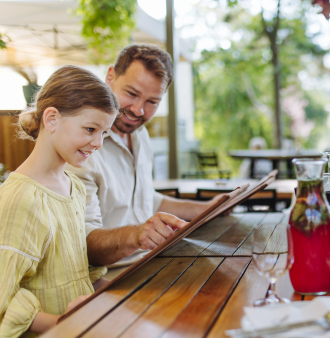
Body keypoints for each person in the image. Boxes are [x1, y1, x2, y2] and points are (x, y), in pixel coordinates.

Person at [67, 44, 228, 268]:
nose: (138, 110)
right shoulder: (81, 144)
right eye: (131, 94)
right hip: (106, 278)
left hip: (147, 262)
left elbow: (143, 200)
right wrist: (137, 235)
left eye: (152, 102)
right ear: (110, 77)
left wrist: (209, 208)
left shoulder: (139, 134)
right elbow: (83, 244)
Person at [0, 66, 119, 336]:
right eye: (90, 129)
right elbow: (3, 300)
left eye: (105, 133)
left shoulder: (74, 187)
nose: (98, 143)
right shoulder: (20, 198)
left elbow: (75, 273)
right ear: (51, 119)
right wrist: (64, 325)